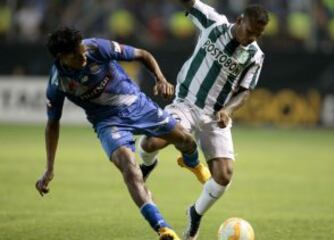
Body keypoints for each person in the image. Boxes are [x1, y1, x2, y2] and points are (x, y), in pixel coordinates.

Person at [35, 27, 209, 240]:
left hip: (136, 104)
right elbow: (52, 124)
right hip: (108, 123)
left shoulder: (97, 47)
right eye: (76, 55)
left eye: (82, 50)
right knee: (130, 169)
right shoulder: (57, 83)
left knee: (186, 140)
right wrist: (49, 169)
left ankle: (191, 163)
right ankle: (163, 228)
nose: (83, 56)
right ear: (61, 57)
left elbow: (143, 55)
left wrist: (160, 79)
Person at [139, 1, 269, 239]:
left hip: (215, 115)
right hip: (186, 104)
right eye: (250, 32)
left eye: (258, 35)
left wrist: (228, 110)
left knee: (224, 175)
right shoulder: (213, 22)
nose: (252, 38)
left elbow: (245, 91)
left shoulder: (255, 55)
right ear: (239, 21)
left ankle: (195, 213)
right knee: (149, 143)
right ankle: (147, 164)